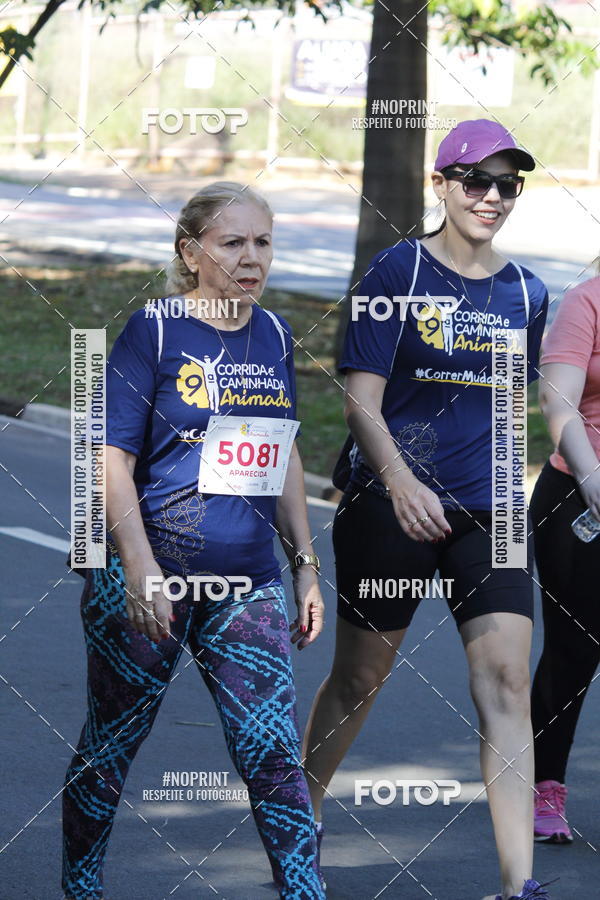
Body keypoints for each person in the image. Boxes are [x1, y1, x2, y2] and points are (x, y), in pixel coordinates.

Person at [302, 120, 551, 900]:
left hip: (491, 512)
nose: (490, 196)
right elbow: (361, 401)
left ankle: (519, 887)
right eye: (475, 180)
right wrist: (403, 483)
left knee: (509, 681)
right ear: (440, 184)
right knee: (358, 680)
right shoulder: (396, 272)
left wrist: (517, 496)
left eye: (506, 184)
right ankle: (298, 813)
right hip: (390, 504)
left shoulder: (527, 293)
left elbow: (509, 410)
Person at [62, 182, 326, 900]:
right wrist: (140, 564)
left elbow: (286, 451)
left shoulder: (272, 335)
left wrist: (303, 562)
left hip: (246, 582)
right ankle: (81, 886)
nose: (252, 258)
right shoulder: (152, 331)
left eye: (263, 242)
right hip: (151, 577)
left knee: (271, 752)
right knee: (113, 745)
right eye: (233, 242)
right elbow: (109, 456)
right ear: (191, 252)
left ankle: (305, 892)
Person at [529, 274, 600, 843]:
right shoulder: (587, 299)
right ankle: (543, 784)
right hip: (579, 498)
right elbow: (558, 400)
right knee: (575, 650)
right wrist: (595, 479)